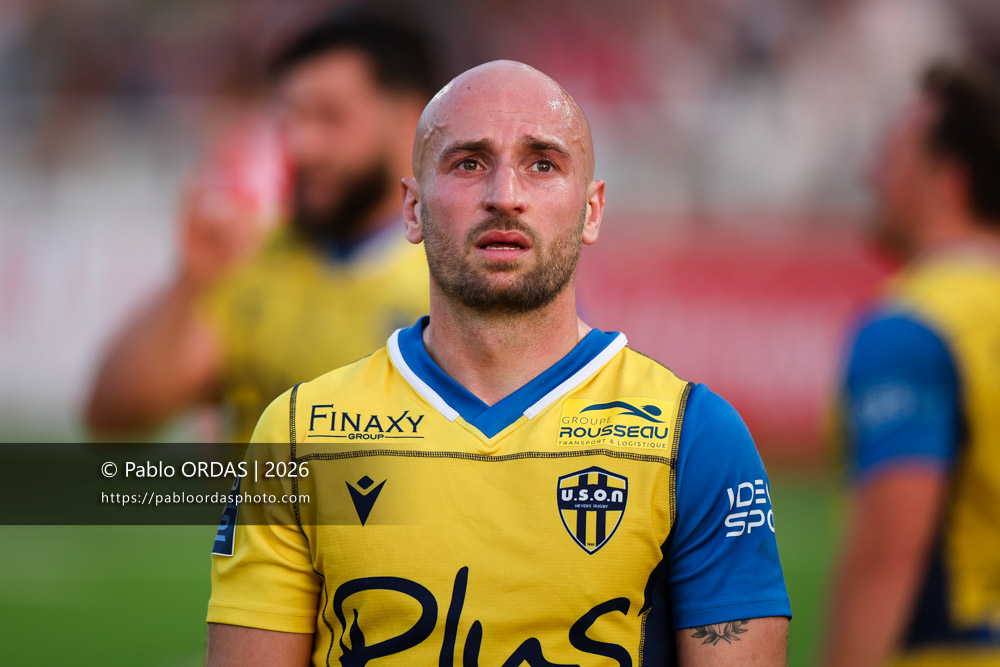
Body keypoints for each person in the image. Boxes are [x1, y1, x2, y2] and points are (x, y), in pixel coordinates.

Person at [206, 60, 791, 666]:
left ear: (592, 211)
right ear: (412, 209)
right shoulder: (298, 434)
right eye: (469, 163)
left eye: (542, 164)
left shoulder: (692, 438)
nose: (505, 197)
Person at [85, 10, 436, 442]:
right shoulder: (249, 256)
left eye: (330, 117)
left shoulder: (458, 272)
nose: (301, 144)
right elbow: (116, 415)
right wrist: (189, 284)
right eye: (290, 118)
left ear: (412, 119)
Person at [825, 61, 1000, 666]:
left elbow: (887, 560)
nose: (868, 174)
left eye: (890, 155)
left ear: (946, 180)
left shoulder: (913, 328)